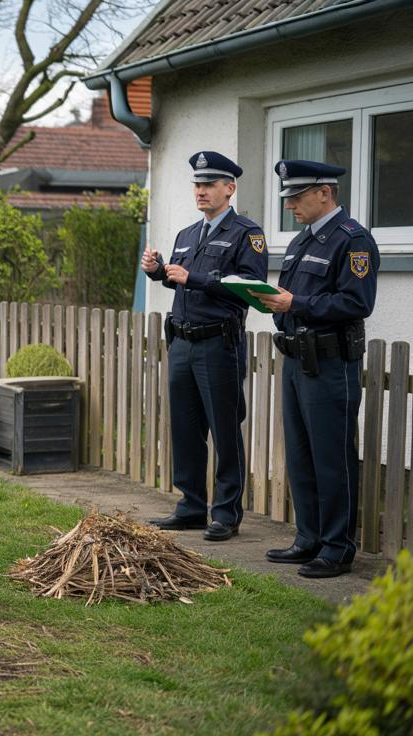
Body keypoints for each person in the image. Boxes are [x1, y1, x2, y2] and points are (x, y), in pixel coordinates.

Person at [257, 160, 378, 579]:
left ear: (324, 193)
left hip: (329, 363)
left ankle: (337, 547)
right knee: (301, 454)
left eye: (296, 196)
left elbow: (356, 303)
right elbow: (291, 297)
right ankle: (308, 538)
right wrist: (272, 304)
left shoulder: (353, 240)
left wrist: (296, 305)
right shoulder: (300, 241)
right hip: (296, 358)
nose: (289, 204)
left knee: (332, 456)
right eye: (287, 197)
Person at [141, 151, 267, 541]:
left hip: (218, 343)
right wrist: (159, 272)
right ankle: (191, 506)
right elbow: (178, 278)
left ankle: (226, 513)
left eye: (210, 185)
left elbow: (249, 289)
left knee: (224, 430)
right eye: (197, 185)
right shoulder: (187, 234)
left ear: (230, 189)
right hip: (182, 342)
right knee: (186, 427)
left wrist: (193, 278)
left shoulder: (248, 234)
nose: (201, 191)